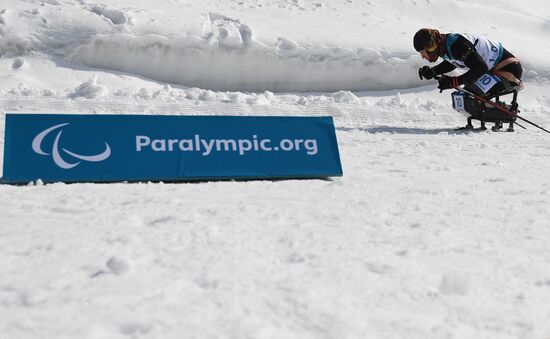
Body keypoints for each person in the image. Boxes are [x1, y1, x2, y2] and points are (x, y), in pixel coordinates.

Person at [413, 28, 523, 97]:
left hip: (508, 69)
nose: (423, 56)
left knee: (470, 96)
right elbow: (454, 62)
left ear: (433, 46)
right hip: (494, 70)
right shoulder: (445, 45)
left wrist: (454, 82)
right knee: (465, 97)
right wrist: (433, 71)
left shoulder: (457, 45)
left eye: (424, 51)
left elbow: (480, 68)